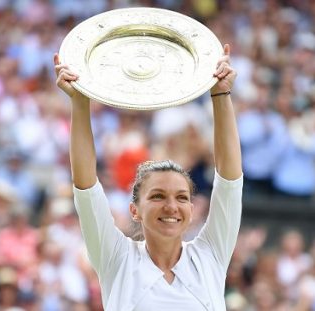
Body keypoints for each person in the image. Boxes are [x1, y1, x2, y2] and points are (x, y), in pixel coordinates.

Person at [54, 43, 243, 310]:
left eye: (181, 197)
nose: (171, 206)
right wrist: (80, 100)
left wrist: (221, 94)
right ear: (135, 210)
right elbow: (85, 185)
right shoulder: (117, 258)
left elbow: (230, 180)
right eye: (157, 196)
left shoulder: (210, 255)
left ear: (191, 208)